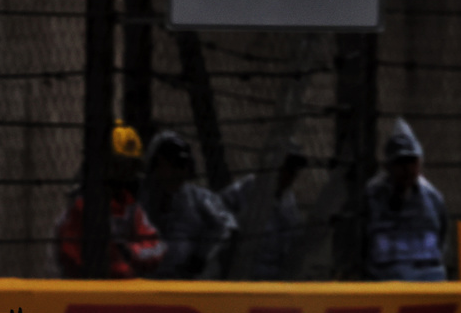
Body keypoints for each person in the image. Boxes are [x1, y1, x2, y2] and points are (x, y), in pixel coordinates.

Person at [54, 120, 165, 279]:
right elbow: (75, 260)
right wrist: (124, 264)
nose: (127, 174)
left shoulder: (130, 206)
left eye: (131, 166)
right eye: (120, 166)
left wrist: (128, 251)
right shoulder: (81, 207)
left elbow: (156, 248)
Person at [138, 130, 236, 279]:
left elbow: (227, 227)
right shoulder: (138, 200)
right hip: (143, 286)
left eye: (180, 165)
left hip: (188, 286)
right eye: (170, 164)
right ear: (155, 166)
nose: (176, 172)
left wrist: (201, 256)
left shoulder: (199, 198)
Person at [362, 118, 449, 281]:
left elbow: (442, 239)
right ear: (388, 166)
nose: (406, 169)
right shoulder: (371, 197)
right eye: (400, 162)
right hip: (385, 287)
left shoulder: (433, 198)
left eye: (411, 161)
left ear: (419, 163)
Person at [220, 141, 307, 280]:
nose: (291, 175)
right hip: (243, 282)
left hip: (277, 285)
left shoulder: (289, 201)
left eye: (294, 170)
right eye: (287, 167)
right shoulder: (241, 193)